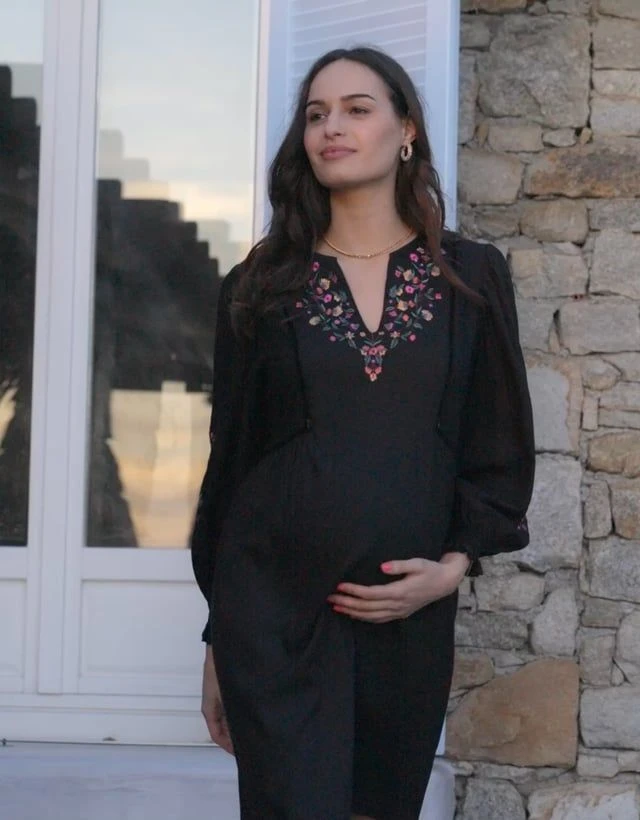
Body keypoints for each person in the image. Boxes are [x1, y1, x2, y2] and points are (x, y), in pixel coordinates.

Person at [190, 46, 535, 820]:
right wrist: (218, 638)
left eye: (356, 108)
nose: (332, 127)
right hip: (273, 615)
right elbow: (232, 465)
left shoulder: (471, 277)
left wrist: (450, 570)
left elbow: (497, 444)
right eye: (317, 114)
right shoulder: (258, 285)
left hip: (406, 617)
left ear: (406, 130)